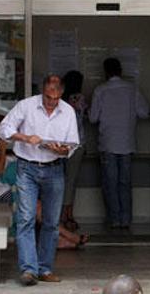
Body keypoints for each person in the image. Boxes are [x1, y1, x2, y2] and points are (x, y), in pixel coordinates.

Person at [0, 74, 79, 286]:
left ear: (61, 94)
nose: (50, 102)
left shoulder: (68, 111)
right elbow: (3, 129)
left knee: (51, 222)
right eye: (47, 97)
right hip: (27, 167)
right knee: (26, 218)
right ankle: (28, 270)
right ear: (42, 91)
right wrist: (25, 137)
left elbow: (72, 144)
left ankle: (45, 268)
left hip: (54, 168)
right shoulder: (26, 105)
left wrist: (62, 150)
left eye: (54, 98)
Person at [89, 58, 150, 229]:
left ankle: (114, 219)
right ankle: (126, 219)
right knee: (125, 182)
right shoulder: (132, 89)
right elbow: (144, 113)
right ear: (121, 71)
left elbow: (93, 118)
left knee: (110, 182)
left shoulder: (100, 90)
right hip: (127, 142)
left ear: (106, 72)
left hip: (107, 143)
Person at [60, 70, 87, 231]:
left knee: (60, 180)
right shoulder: (80, 99)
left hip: (60, 145)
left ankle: (61, 215)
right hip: (76, 145)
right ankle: (68, 215)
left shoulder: (60, 101)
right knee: (71, 181)